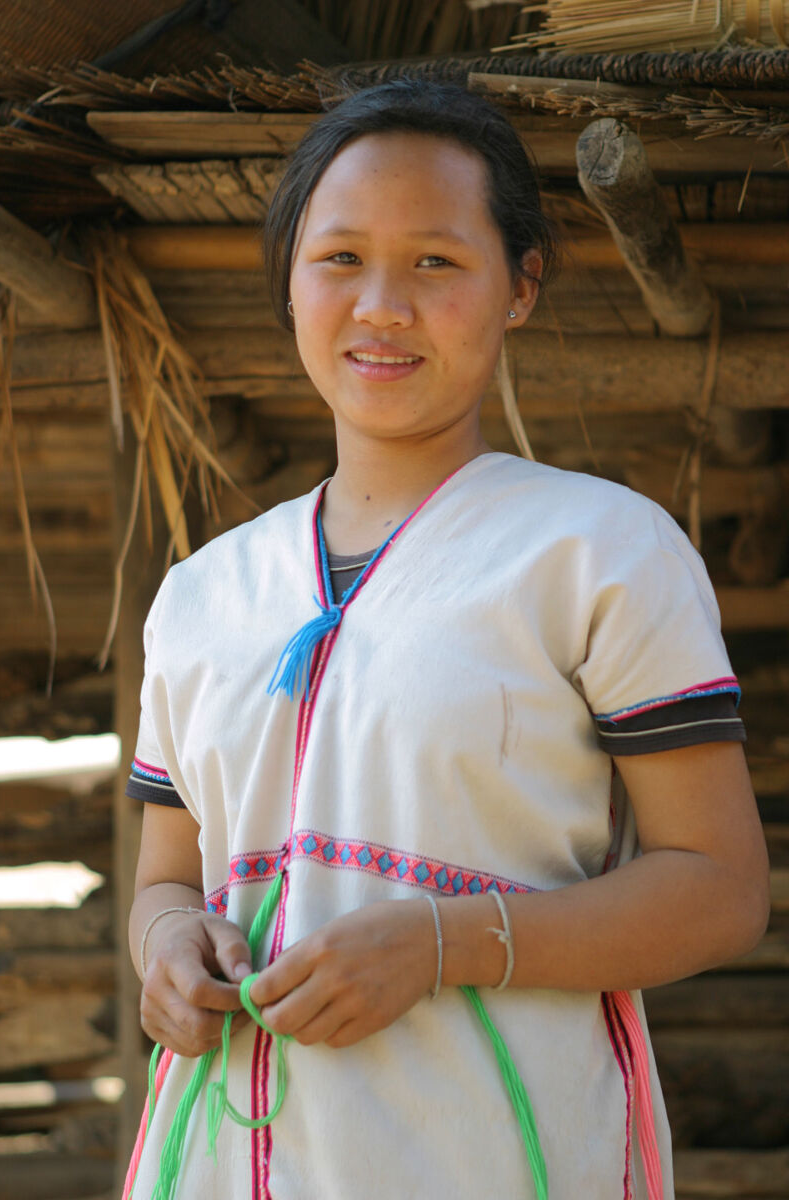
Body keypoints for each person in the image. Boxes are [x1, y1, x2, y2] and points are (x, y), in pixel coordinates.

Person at [124, 80, 769, 1200]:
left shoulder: (597, 550)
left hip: (492, 1155)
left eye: (433, 262)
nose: (380, 305)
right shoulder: (202, 592)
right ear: (286, 283)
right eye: (338, 260)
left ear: (518, 287)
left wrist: (440, 944)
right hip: (223, 1160)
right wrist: (169, 953)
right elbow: (165, 883)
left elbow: (717, 888)